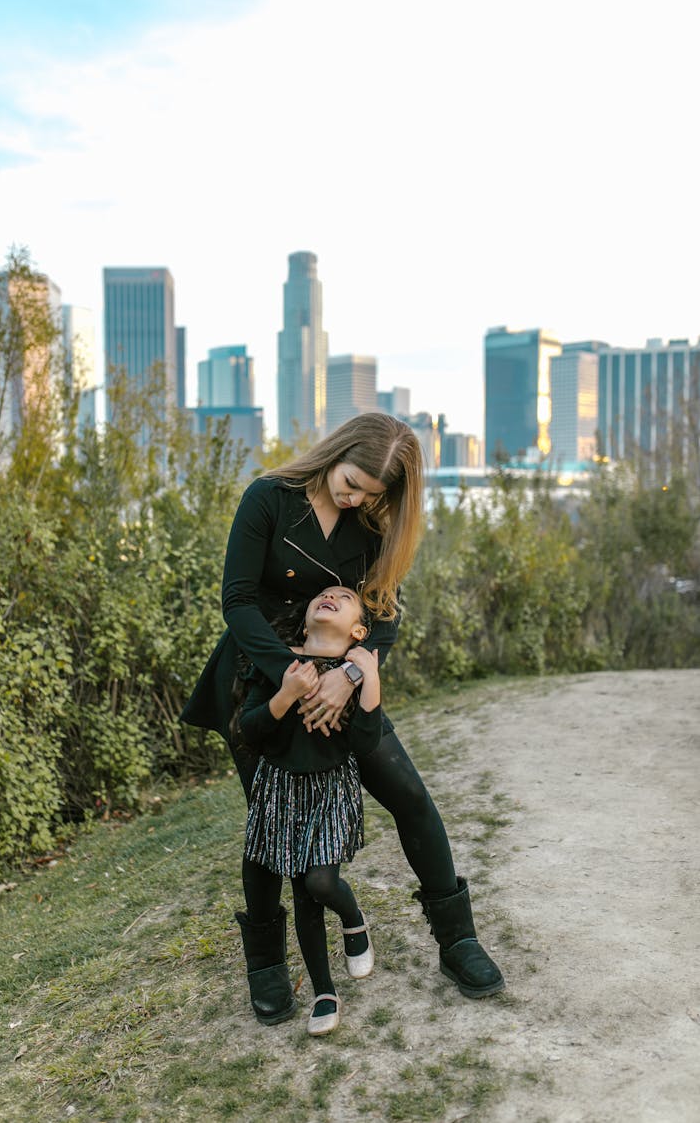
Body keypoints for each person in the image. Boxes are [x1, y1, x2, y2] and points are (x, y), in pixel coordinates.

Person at [181, 413, 503, 1026]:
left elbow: (383, 617)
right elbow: (237, 601)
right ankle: (267, 965)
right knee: (270, 827)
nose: (354, 498)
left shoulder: (371, 526)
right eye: (352, 482)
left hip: (340, 683)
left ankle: (458, 940)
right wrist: (294, 678)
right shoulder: (268, 498)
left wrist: (350, 675)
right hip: (261, 679)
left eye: (369, 494)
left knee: (409, 794)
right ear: (337, 453)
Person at [235, 586, 381, 1036]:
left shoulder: (352, 671)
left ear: (357, 630)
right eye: (323, 594)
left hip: (330, 788)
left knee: (321, 882)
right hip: (280, 790)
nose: (330, 596)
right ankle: (324, 991)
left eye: (343, 596)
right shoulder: (281, 663)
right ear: (305, 621)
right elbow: (249, 731)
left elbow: (366, 742)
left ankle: (354, 919)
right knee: (302, 895)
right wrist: (287, 693)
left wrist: (370, 676)